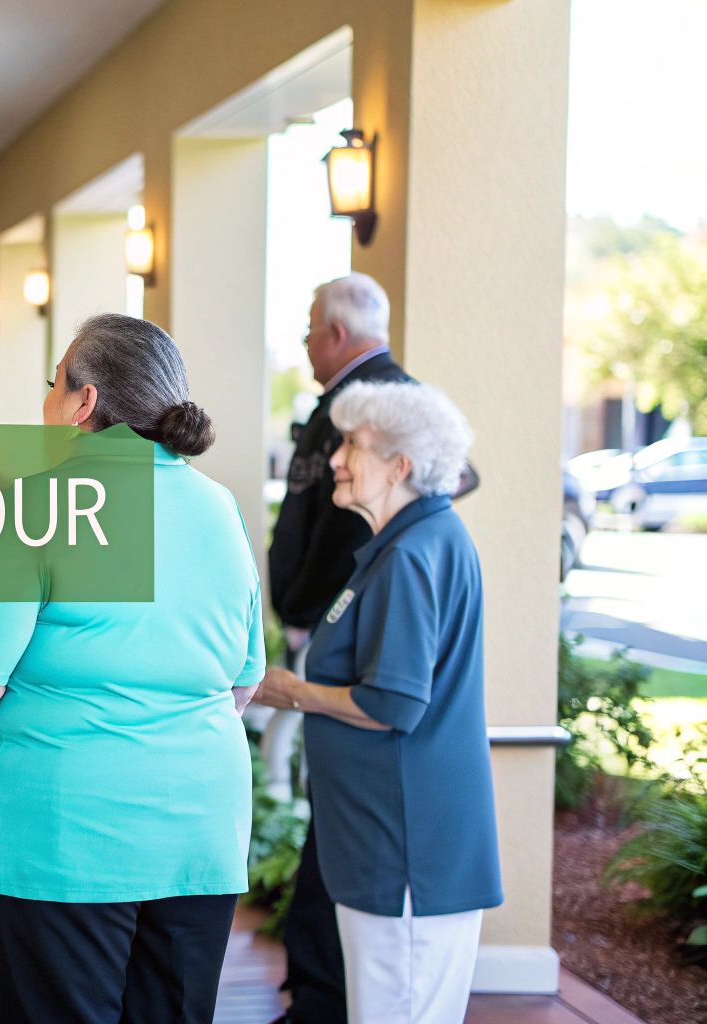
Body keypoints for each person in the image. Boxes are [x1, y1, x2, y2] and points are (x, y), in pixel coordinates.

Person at [0, 314, 263, 1024]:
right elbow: (239, 683)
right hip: (200, 829)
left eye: (51, 384)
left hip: (69, 836)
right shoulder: (219, 508)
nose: (44, 402)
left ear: (85, 401)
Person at [253, 382, 500, 1024]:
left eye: (353, 446)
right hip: (384, 842)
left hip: (406, 854)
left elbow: (394, 703)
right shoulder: (399, 548)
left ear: (401, 466)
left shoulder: (413, 555)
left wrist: (291, 691)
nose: (335, 459)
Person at [264, 272, 413, 1023]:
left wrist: (318, 618)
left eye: (307, 331)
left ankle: (324, 996)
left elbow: (352, 533)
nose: (345, 465)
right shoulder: (342, 402)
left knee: (339, 828)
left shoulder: (385, 404)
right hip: (321, 633)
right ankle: (316, 987)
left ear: (335, 334)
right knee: (325, 817)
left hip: (342, 640)